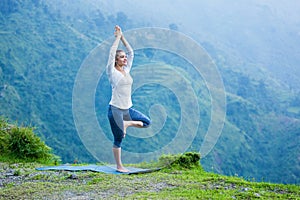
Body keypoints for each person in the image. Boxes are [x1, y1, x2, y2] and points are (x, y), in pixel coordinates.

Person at [106, 25, 151, 173]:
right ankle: (119, 166)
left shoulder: (126, 70)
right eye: (121, 57)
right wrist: (117, 38)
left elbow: (131, 52)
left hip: (128, 109)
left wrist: (123, 36)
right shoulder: (112, 72)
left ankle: (127, 124)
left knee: (146, 122)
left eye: (124, 57)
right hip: (115, 110)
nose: (125, 58)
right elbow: (112, 53)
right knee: (118, 139)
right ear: (116, 60)